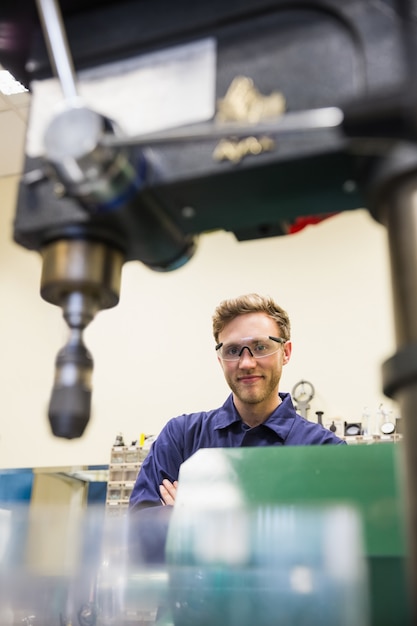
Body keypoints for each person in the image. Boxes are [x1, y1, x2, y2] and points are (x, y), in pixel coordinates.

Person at [129, 293, 345, 512]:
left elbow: (337, 539)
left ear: (286, 352)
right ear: (220, 359)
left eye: (260, 347)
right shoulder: (181, 437)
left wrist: (191, 520)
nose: (246, 363)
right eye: (232, 350)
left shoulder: (325, 451)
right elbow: (143, 532)